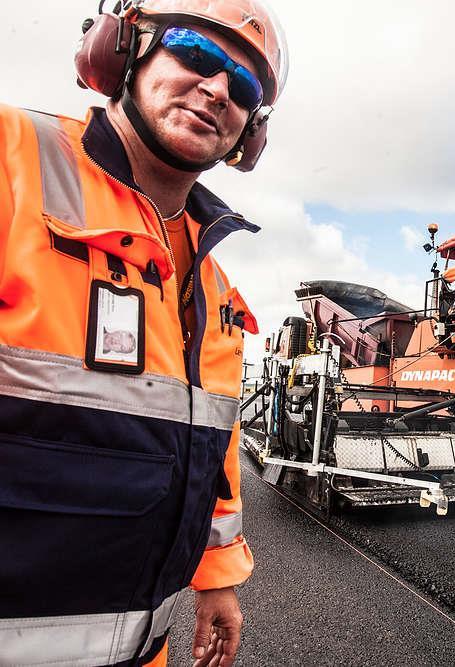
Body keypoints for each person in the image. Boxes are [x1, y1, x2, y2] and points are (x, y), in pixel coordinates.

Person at [0, 1, 288, 665]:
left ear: (251, 131)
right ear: (121, 49)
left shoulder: (216, 294)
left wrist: (217, 579)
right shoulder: (16, 161)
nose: (218, 88)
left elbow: (214, 452)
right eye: (195, 53)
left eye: (243, 88)